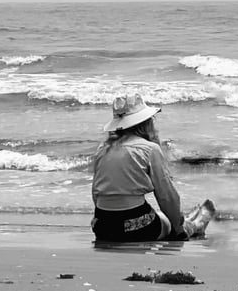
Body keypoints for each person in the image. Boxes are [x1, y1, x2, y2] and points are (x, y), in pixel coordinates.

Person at [91, 93, 215, 241]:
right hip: (136, 228)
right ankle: (195, 225)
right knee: (168, 223)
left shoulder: (103, 149)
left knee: (157, 216)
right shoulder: (149, 149)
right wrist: (177, 228)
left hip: (102, 228)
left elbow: (96, 193)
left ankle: (184, 219)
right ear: (145, 123)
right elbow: (167, 196)